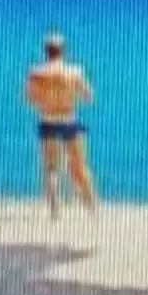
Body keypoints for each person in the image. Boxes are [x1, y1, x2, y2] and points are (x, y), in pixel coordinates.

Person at [25, 34, 98, 218]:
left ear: (46, 51)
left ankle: (55, 211)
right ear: (63, 50)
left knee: (51, 168)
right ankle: (92, 209)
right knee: (80, 167)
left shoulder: (36, 73)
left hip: (48, 120)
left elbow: (29, 99)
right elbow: (89, 96)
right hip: (68, 119)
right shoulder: (74, 72)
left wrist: (45, 101)